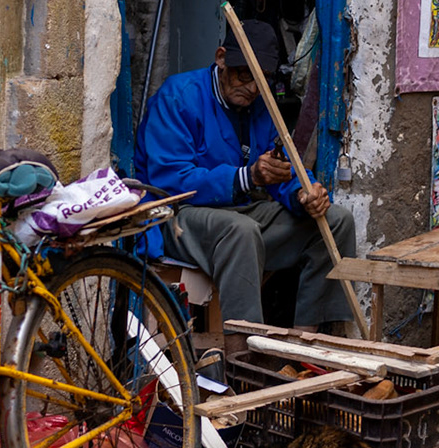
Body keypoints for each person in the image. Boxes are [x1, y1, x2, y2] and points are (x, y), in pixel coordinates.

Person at [135, 21, 355, 329]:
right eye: (244, 75)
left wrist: (303, 192)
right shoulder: (178, 96)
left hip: (238, 212)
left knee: (335, 220)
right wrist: (246, 177)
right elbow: (171, 182)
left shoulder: (259, 104)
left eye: (262, 79)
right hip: (178, 218)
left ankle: (307, 341)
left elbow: (281, 164)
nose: (252, 88)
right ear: (221, 58)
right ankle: (245, 346)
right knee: (241, 231)